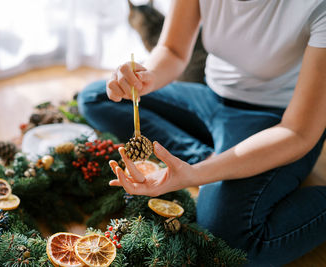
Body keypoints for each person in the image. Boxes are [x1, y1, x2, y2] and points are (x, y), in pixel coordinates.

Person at [78, 0, 326, 265]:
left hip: (275, 121)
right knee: (95, 97)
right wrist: (146, 77)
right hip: (210, 97)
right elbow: (172, 51)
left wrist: (195, 176)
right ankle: (208, 157)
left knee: (228, 241)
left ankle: (213, 163)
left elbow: (298, 132)